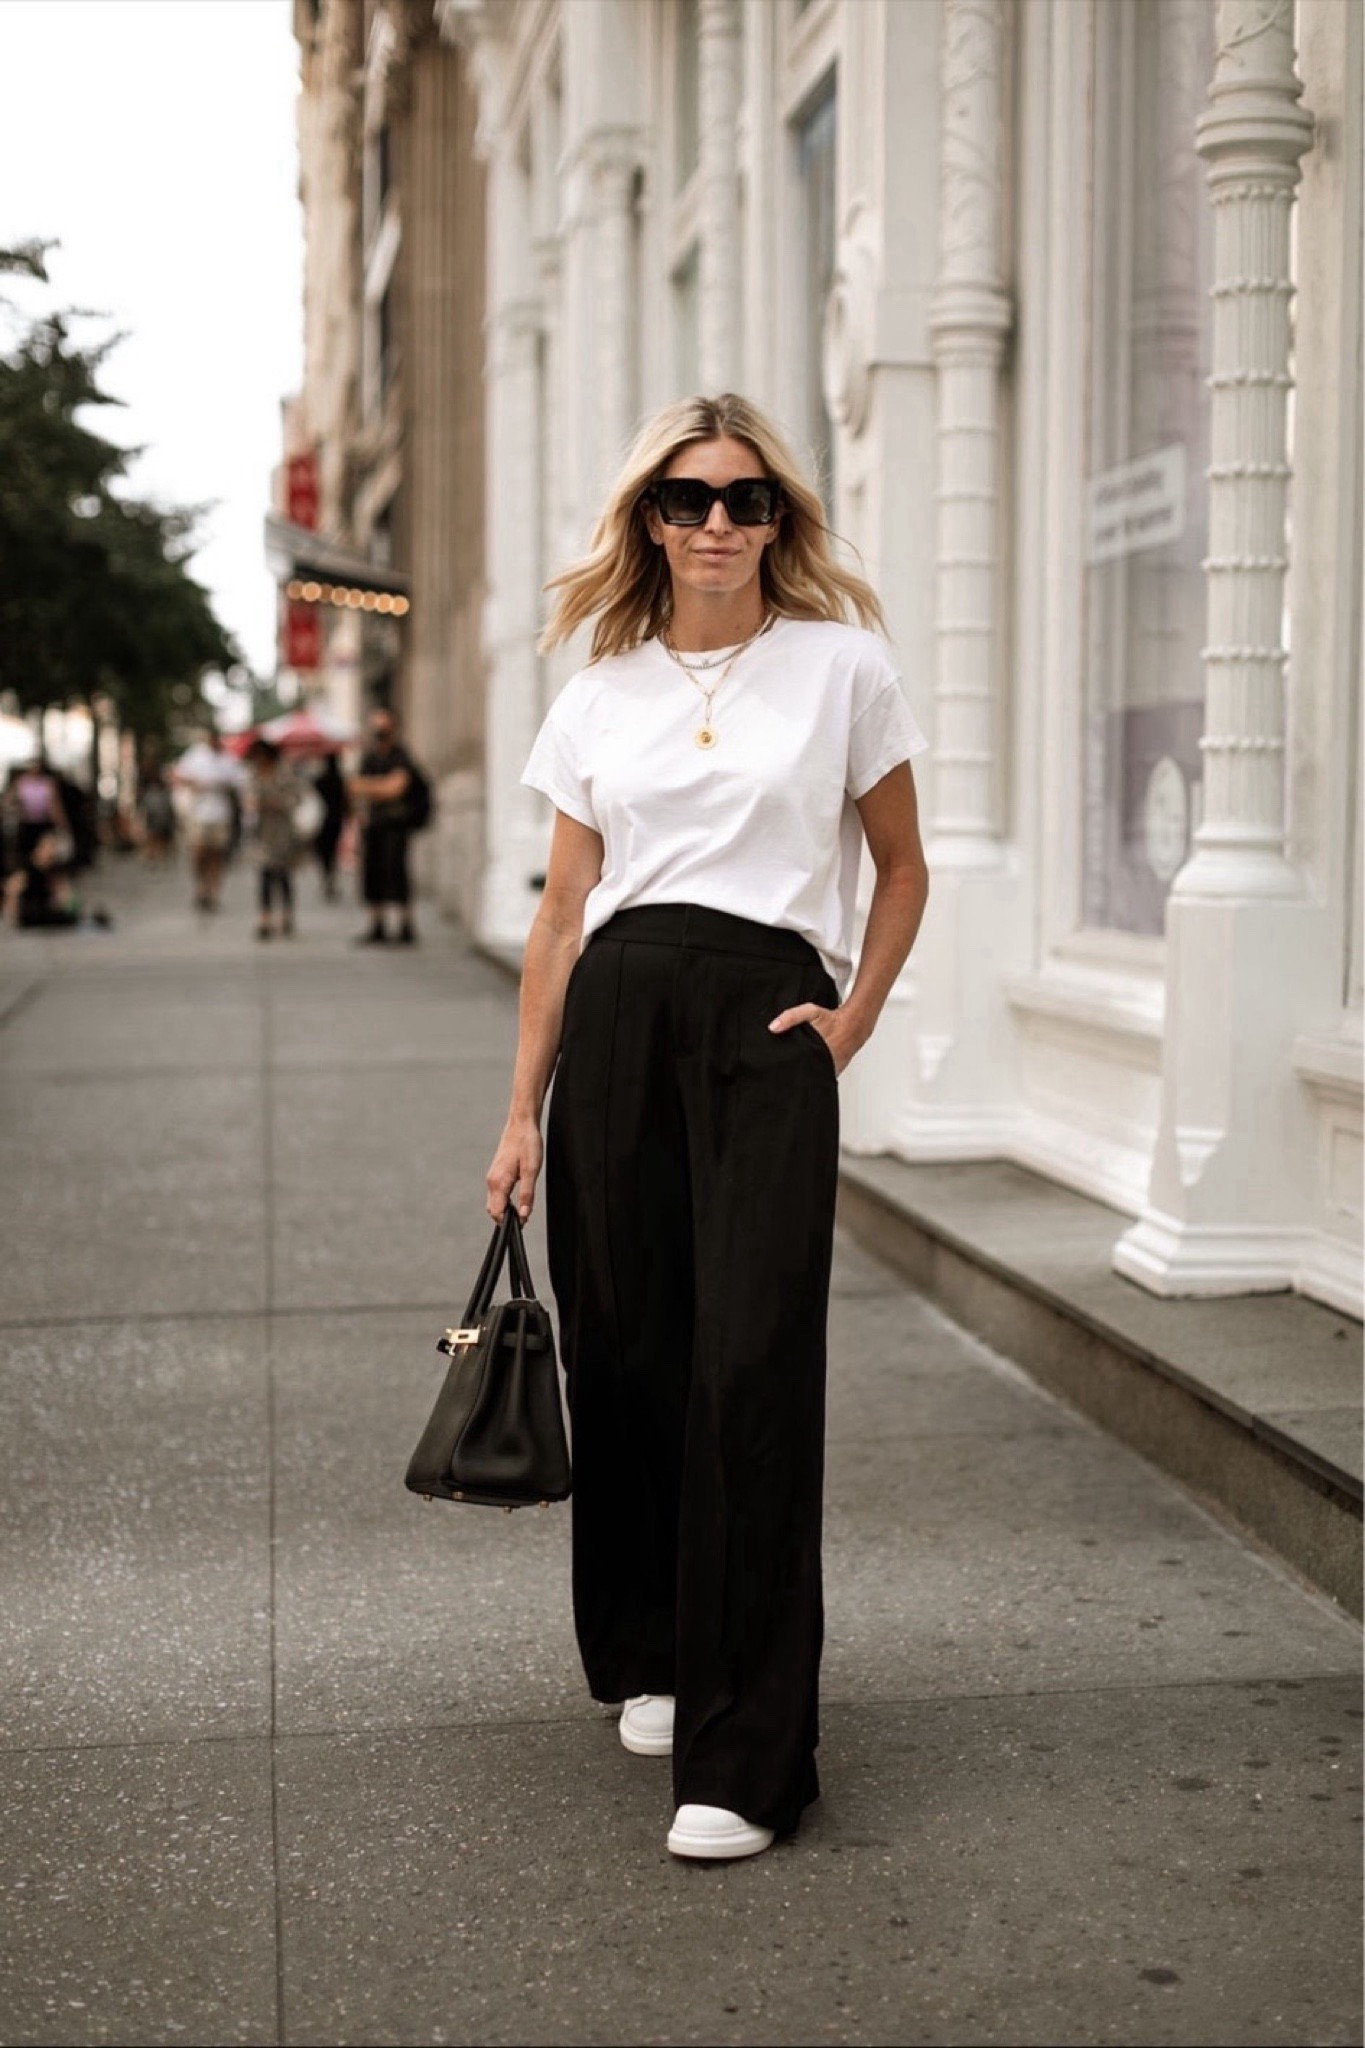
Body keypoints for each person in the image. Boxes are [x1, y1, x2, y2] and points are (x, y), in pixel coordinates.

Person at [488, 392, 930, 1863]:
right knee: (628, 1352)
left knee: (747, 1367)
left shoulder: (842, 665)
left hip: (762, 1021)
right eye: (688, 500)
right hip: (616, 1018)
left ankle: (749, 1759)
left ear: (779, 520)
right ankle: (655, 1654)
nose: (720, 523)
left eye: (746, 500)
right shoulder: (600, 687)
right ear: (650, 522)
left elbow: (901, 867)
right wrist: (520, 1117)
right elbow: (560, 918)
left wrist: (850, 1020)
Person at [349, 707, 419, 945]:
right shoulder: (369, 757)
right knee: (373, 874)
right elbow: (355, 787)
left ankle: (405, 925)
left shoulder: (400, 755)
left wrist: (374, 787)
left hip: (396, 825)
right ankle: (377, 924)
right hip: (374, 824)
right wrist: (381, 786)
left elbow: (396, 788)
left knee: (397, 872)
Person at [172, 728, 247, 913]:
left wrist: (224, 786)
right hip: (199, 813)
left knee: (217, 855)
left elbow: (240, 781)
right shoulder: (196, 755)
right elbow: (178, 774)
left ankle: (213, 892)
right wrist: (196, 784)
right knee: (199, 852)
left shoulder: (228, 759)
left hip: (221, 815)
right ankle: (201, 888)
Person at [245, 736, 304, 940]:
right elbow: (248, 797)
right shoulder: (254, 774)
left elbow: (296, 797)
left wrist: (277, 802)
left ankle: (286, 916)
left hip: (282, 830)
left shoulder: (283, 772)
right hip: (262, 831)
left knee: (283, 874)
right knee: (265, 875)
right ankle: (265, 917)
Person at [311, 752, 349, 900]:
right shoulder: (340, 780)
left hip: (321, 821)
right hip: (336, 820)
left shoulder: (319, 780)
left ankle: (326, 875)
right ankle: (331, 876)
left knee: (323, 852)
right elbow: (345, 801)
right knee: (332, 851)